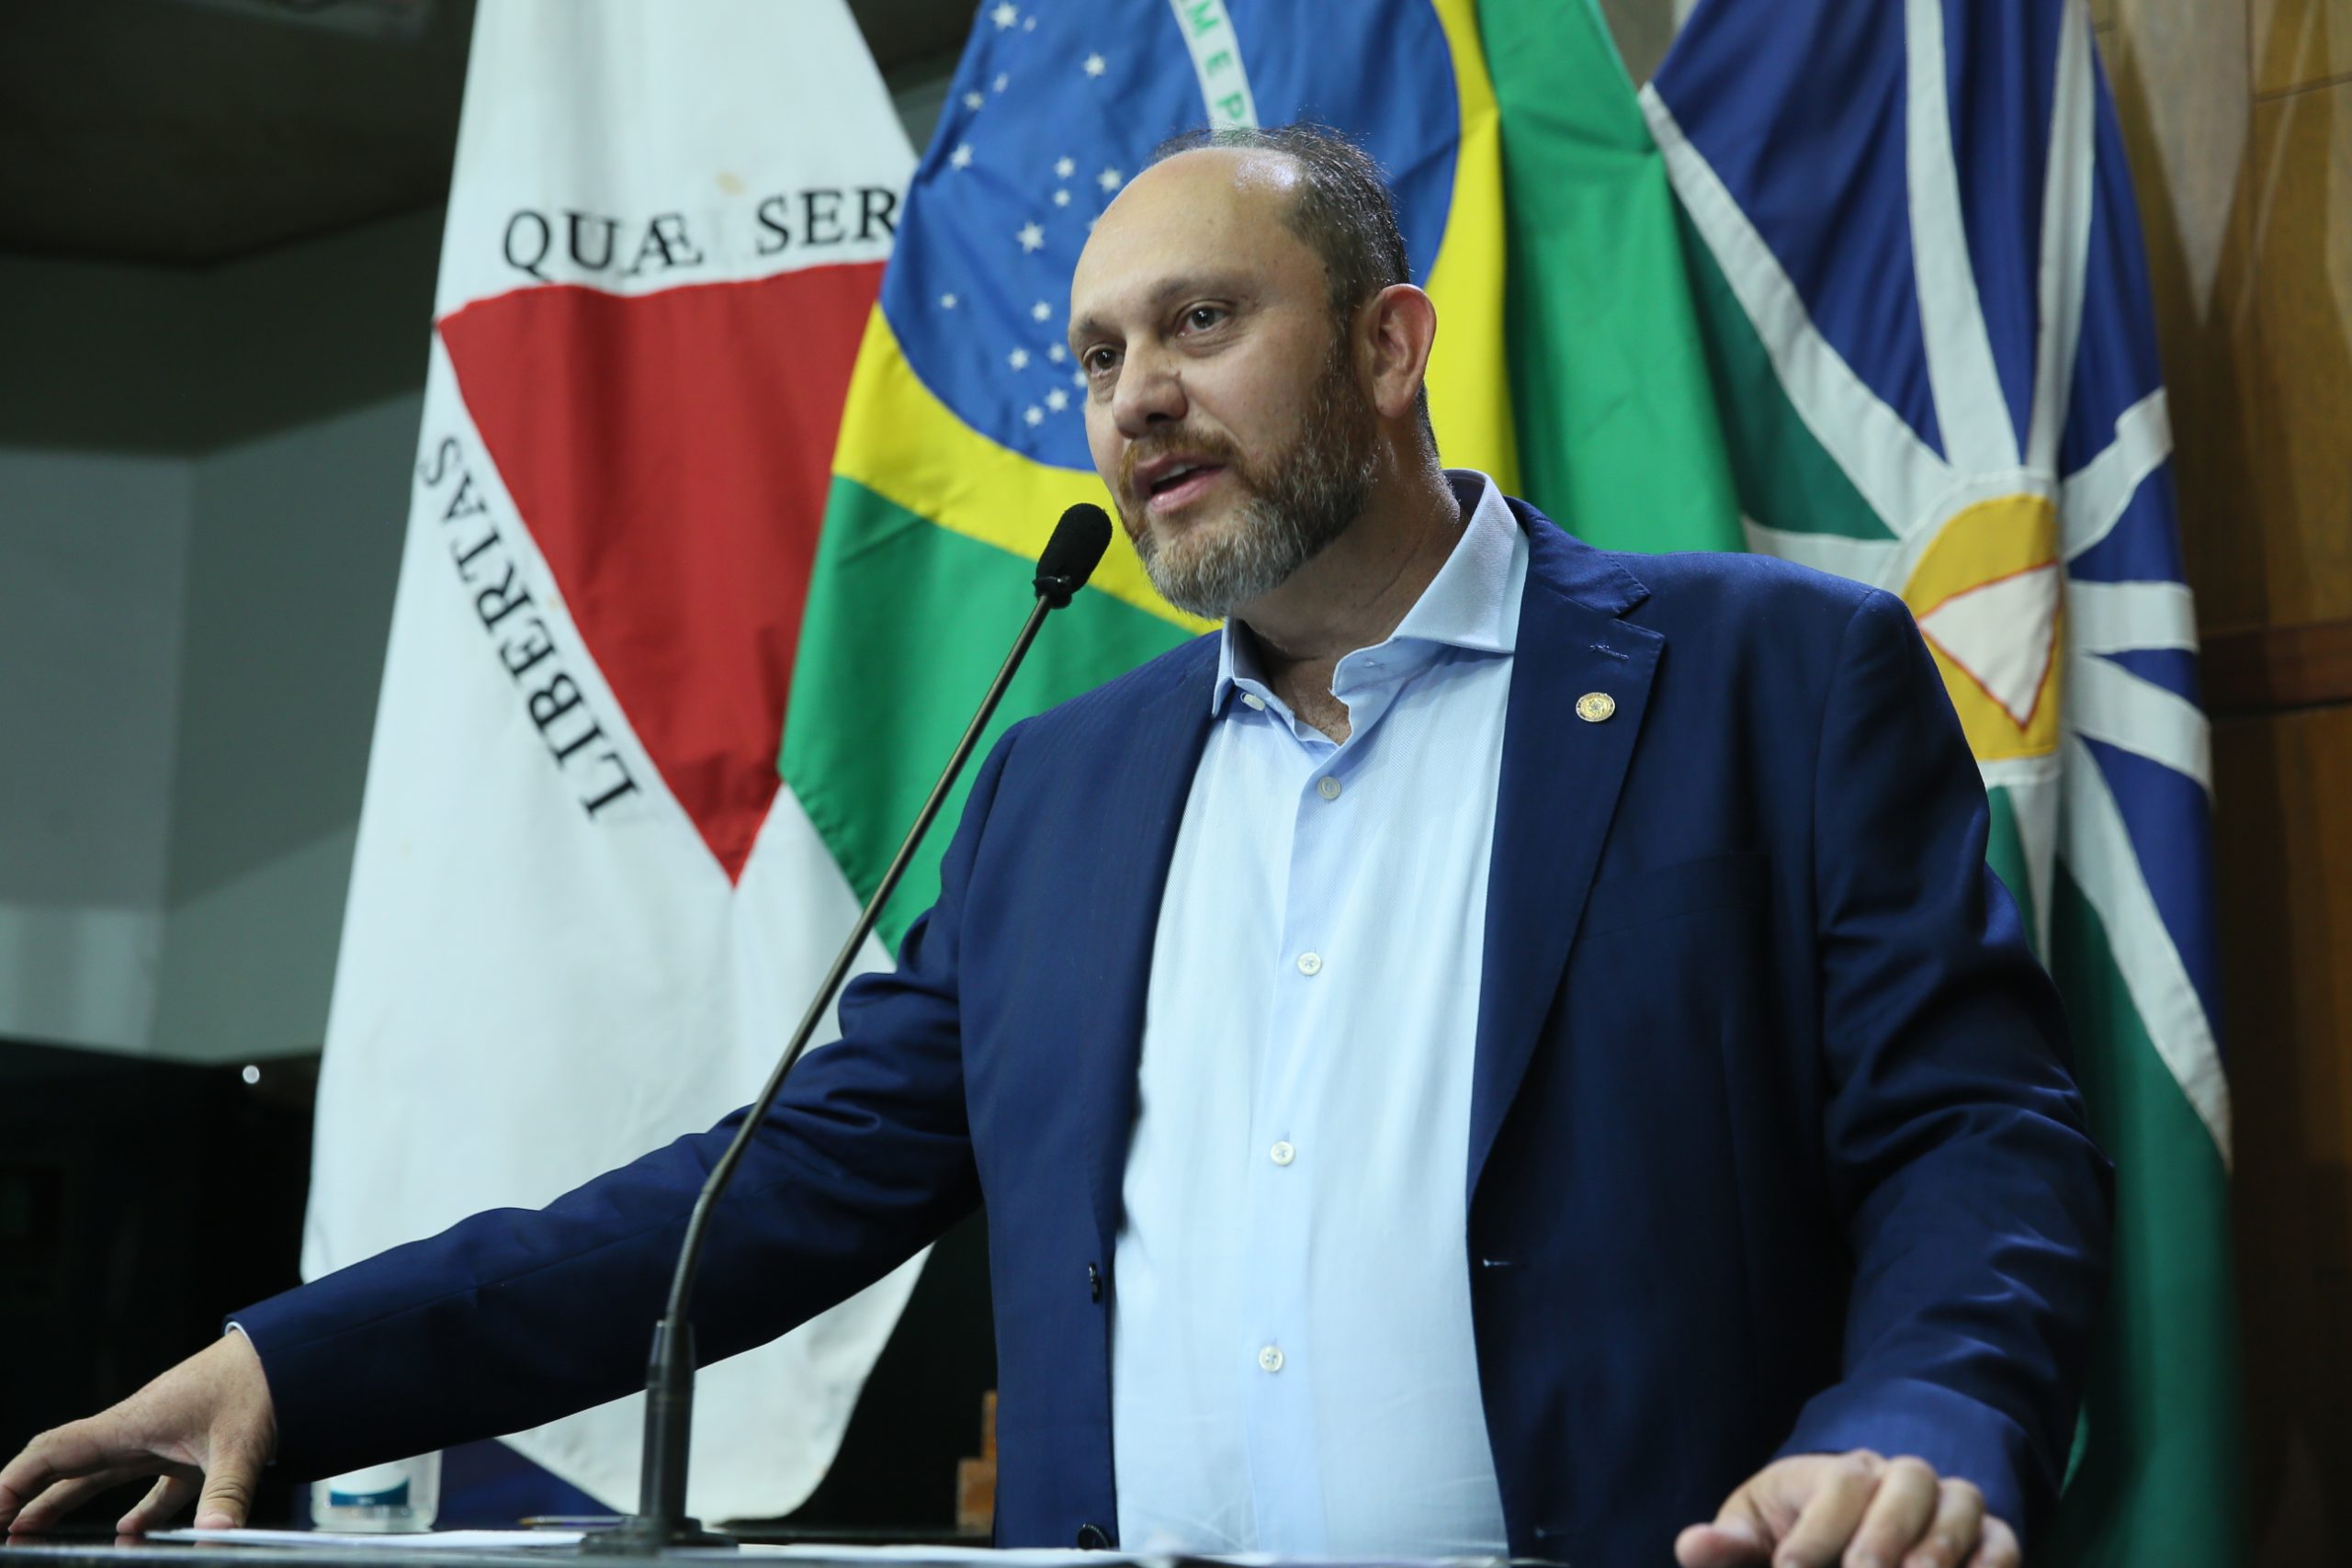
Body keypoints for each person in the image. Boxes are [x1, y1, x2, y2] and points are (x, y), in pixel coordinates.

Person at [0, 126, 2109, 1568]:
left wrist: (1919, 1420)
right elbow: (751, 1198)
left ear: (1388, 347)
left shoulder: (1762, 680)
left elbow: (1969, 1131)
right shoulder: (1059, 795)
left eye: (1198, 324)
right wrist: (294, 1360)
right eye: (1097, 356)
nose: (1133, 399)